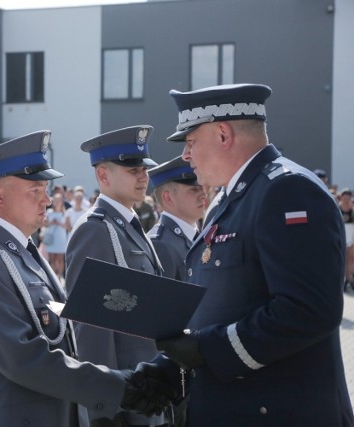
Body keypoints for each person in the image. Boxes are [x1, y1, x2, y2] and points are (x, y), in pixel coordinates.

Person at [156, 83, 353, 425]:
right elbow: (228, 303)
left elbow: (308, 310)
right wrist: (176, 366)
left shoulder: (287, 190)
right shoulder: (232, 197)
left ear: (222, 134)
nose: (186, 156)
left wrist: (207, 349)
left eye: (190, 142)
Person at [0, 130, 175, 427]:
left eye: (46, 189)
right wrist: (120, 388)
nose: (47, 199)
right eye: (35, 191)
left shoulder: (22, 251)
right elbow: (23, 359)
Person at [65, 125, 173, 427]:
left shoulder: (128, 225)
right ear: (103, 176)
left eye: (144, 169)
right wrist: (103, 408)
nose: (143, 176)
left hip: (147, 390)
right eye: (133, 169)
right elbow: (91, 328)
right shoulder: (95, 230)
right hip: (126, 398)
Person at [147, 156, 206, 281]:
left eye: (202, 187)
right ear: (168, 198)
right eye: (194, 189)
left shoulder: (196, 236)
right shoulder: (160, 244)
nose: (203, 194)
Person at [43, 192, 67, 279]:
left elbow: (68, 226)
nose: (57, 202)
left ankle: (59, 277)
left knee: (60, 259)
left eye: (58, 200)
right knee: (52, 259)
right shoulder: (49, 212)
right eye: (55, 200)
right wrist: (51, 223)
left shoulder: (65, 213)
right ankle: (54, 278)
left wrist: (59, 223)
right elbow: (44, 224)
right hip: (52, 238)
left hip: (61, 238)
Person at [339, 188, 354, 290]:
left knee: (351, 258)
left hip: (351, 233)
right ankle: (343, 279)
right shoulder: (338, 207)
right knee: (342, 257)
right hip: (342, 232)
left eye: (349, 195)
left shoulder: (352, 209)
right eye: (345, 194)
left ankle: (349, 278)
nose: (347, 197)